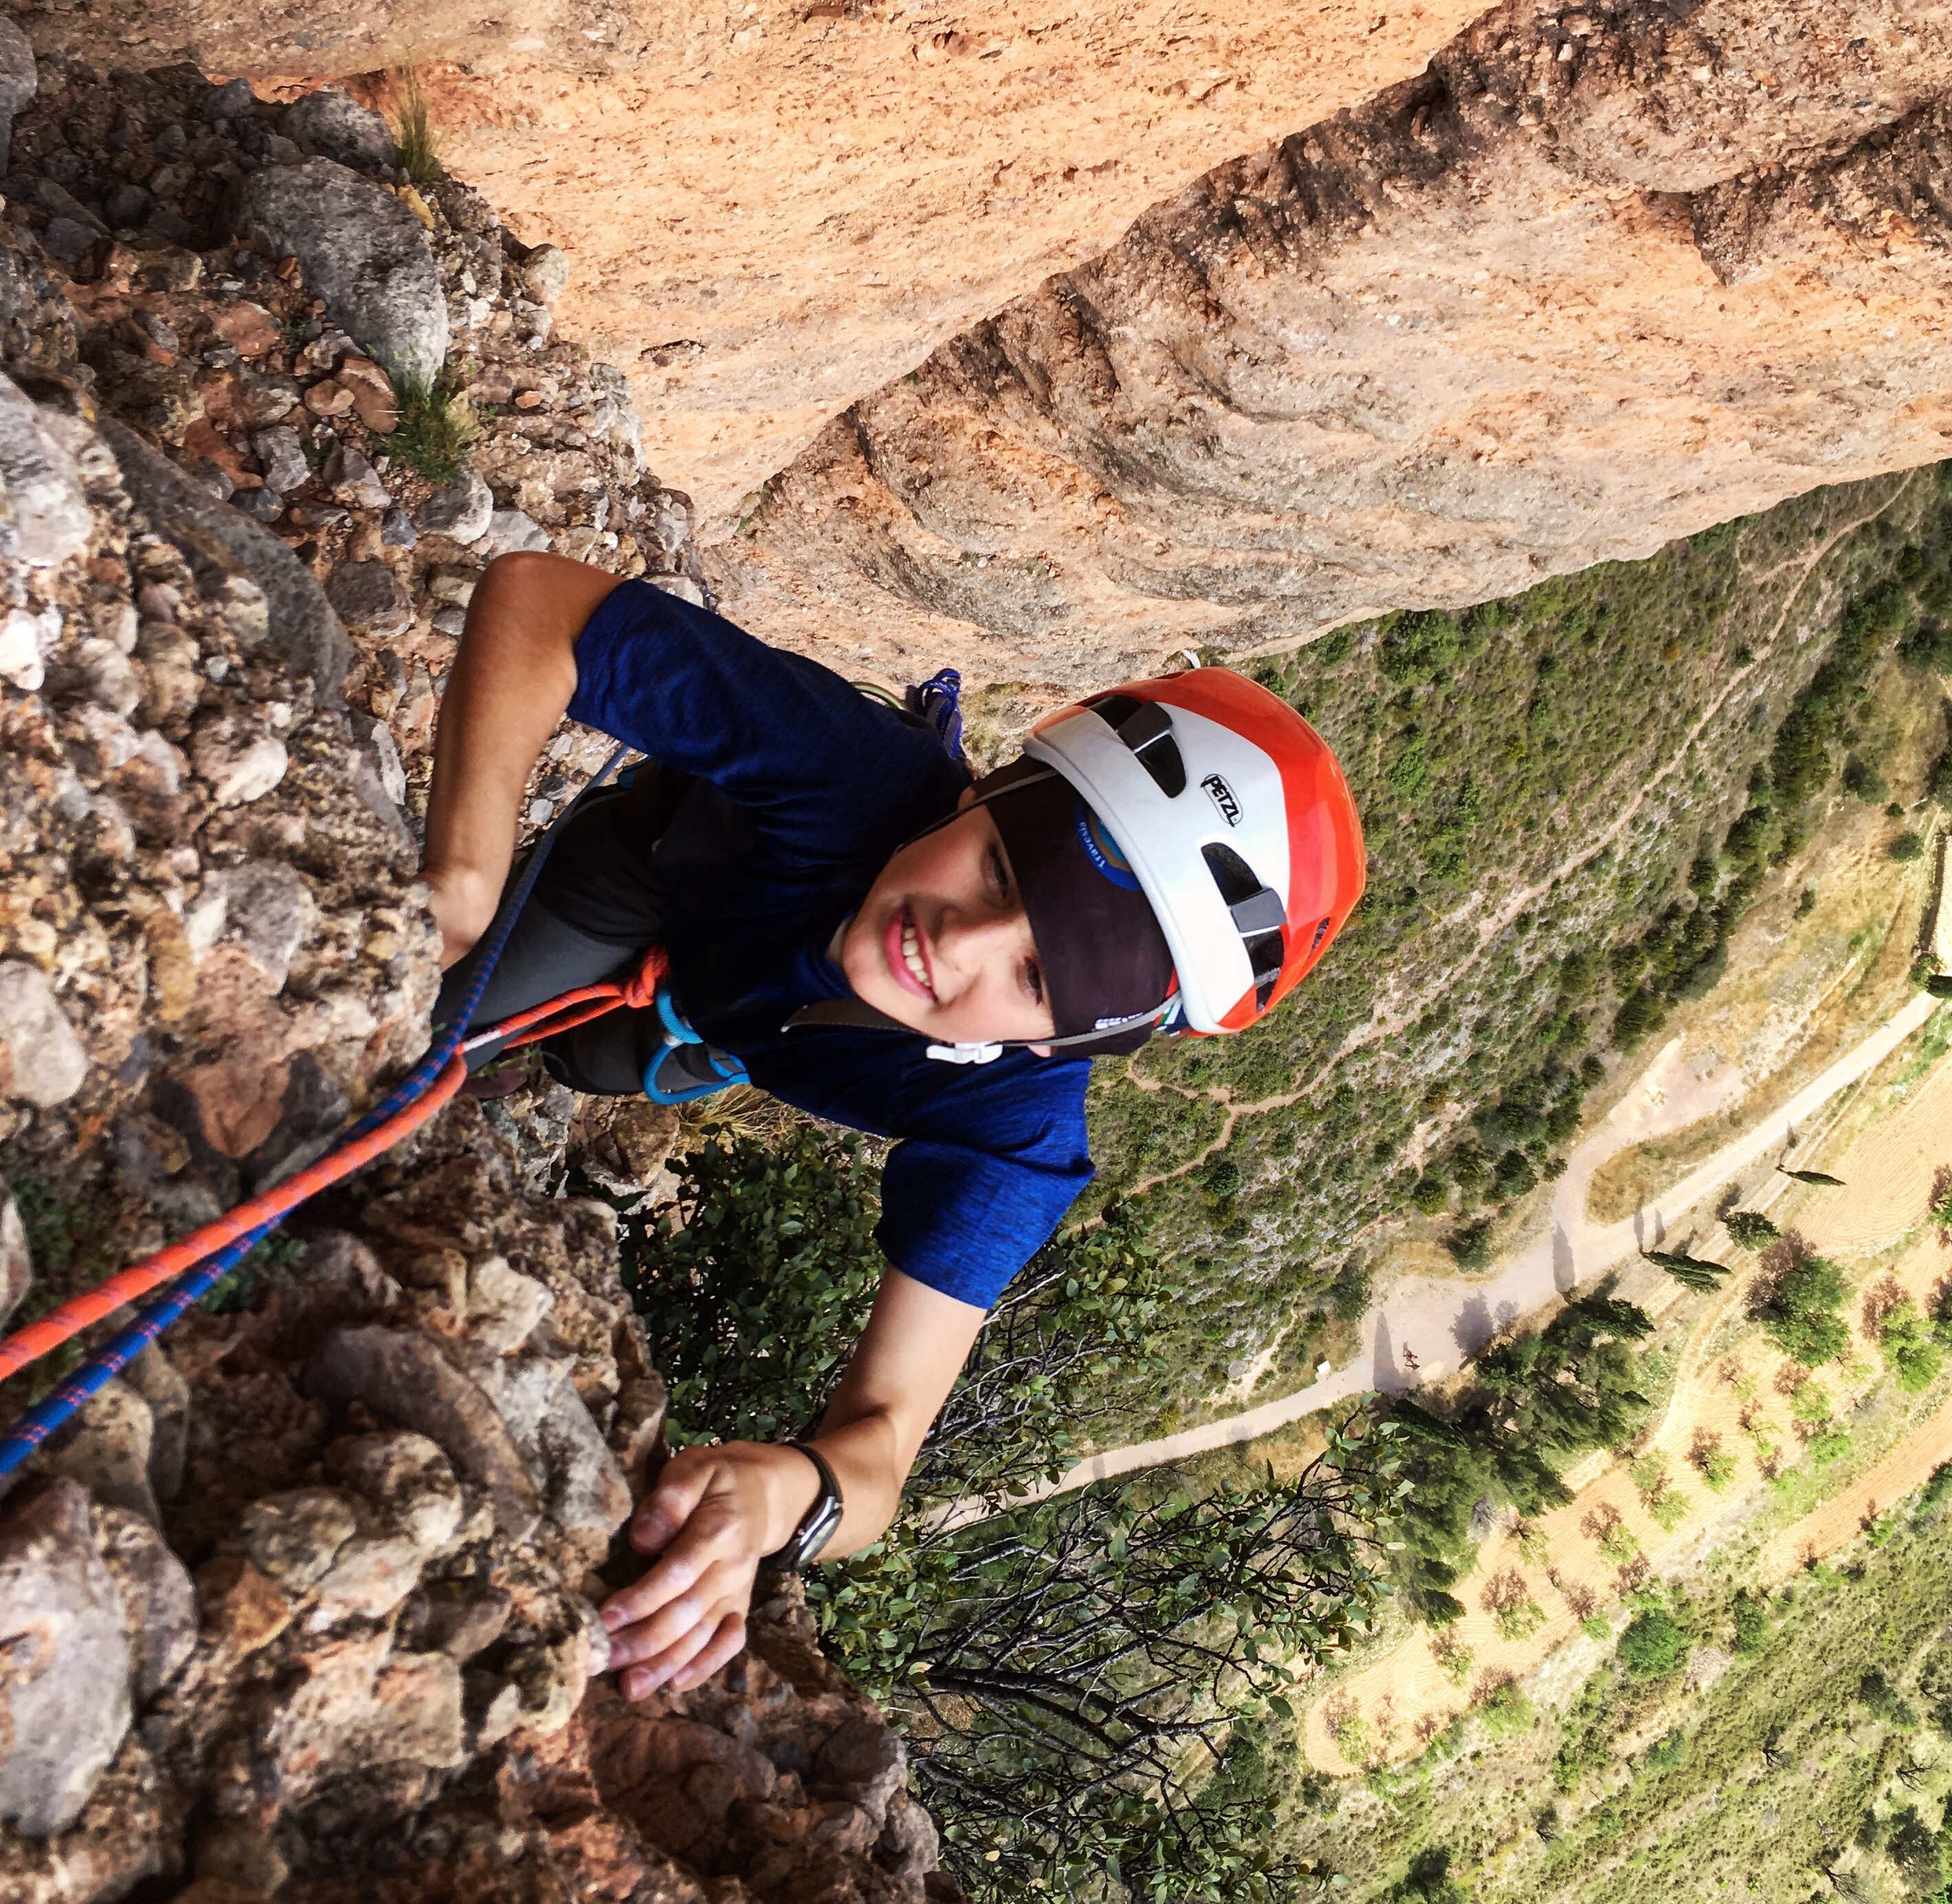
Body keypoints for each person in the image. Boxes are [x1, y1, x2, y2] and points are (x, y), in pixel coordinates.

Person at [418, 553, 1365, 1702]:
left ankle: (547, 1049)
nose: (952, 943)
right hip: (663, 882)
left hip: (730, 1020)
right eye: (1002, 863)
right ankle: (505, 1037)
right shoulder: (857, 778)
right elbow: (543, 602)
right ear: (979, 794)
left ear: (1075, 1044)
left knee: (588, 1053)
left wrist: (783, 1497)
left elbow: (883, 1441)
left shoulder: (1011, 1128)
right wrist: (464, 883)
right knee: (434, 1020)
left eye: (1037, 980)